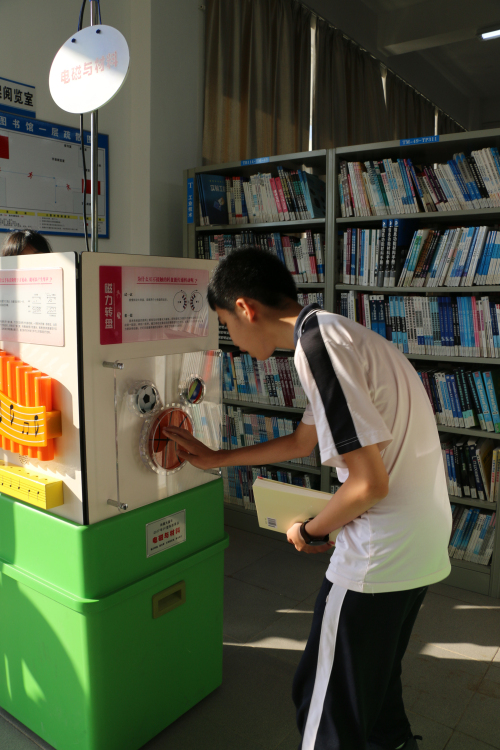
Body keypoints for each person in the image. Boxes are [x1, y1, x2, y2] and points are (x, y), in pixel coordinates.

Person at [163, 248, 452, 750]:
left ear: (246, 308)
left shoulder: (317, 346)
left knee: (324, 707)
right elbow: (303, 442)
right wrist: (217, 458)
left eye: (226, 323)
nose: (231, 337)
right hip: (420, 546)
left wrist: (311, 530)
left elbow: (368, 484)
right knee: (375, 694)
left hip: (377, 557)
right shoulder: (337, 333)